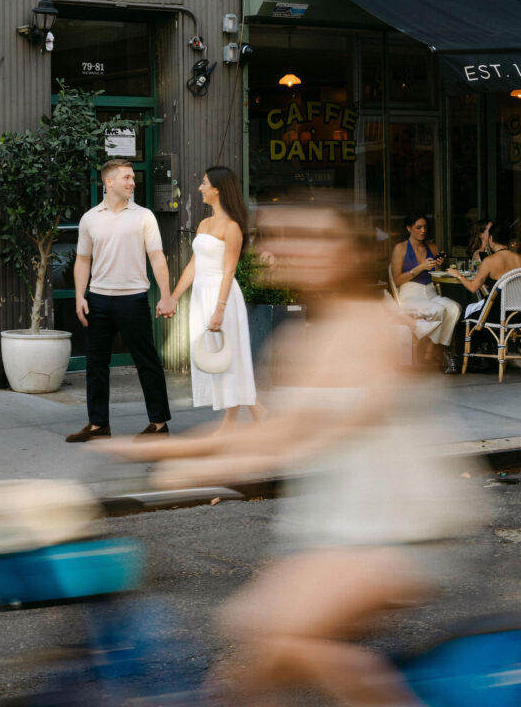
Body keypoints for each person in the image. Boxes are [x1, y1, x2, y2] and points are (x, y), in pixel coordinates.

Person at [100, 202, 484, 707]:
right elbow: (274, 424)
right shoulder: (301, 339)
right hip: (338, 524)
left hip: (399, 524)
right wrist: (141, 452)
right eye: (291, 236)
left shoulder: (374, 327)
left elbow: (310, 429)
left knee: (282, 637)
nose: (299, 248)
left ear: (348, 255)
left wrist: (207, 468)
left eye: (319, 238)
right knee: (242, 667)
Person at [65, 159, 176, 443]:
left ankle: (159, 425)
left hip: (133, 299)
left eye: (133, 178)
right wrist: (80, 295)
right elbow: (82, 259)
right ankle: (98, 424)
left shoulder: (144, 216)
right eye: (126, 177)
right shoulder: (90, 218)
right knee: (95, 365)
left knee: (147, 362)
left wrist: (166, 295)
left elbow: (157, 257)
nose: (132, 182)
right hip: (98, 300)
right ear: (109, 182)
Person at [168, 166, 265, 430]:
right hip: (202, 295)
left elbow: (229, 270)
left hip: (222, 296)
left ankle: (248, 420)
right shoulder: (204, 223)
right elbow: (192, 265)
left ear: (217, 189)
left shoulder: (232, 226)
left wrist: (220, 309)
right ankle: (247, 420)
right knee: (217, 360)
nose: (200, 188)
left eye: (204, 183)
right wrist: (174, 297)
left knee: (230, 359)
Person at [390, 212, 461, 367]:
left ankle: (432, 346)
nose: (423, 230)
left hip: (431, 291)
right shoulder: (400, 248)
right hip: (409, 294)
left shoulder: (432, 247)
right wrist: (420, 267)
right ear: (409, 228)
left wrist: (438, 264)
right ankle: (438, 350)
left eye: (425, 227)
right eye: (418, 227)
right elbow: (396, 280)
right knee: (438, 310)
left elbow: (437, 273)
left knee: (454, 308)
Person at [447, 219, 521, 322]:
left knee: (464, 324)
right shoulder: (519, 259)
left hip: (497, 315)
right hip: (519, 315)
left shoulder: (490, 261)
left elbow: (473, 287)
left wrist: (458, 275)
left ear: (491, 238)